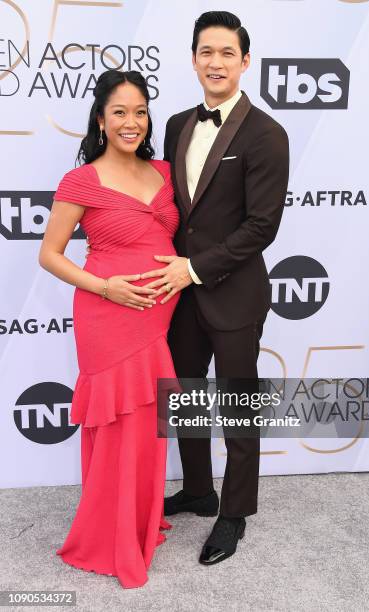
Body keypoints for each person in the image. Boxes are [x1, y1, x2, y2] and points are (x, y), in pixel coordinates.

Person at [139, 11, 290, 565]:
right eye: (207, 51)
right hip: (179, 295)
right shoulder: (178, 123)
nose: (216, 62)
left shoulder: (268, 134)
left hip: (232, 292)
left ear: (244, 61)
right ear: (194, 58)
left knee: (237, 404)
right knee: (185, 397)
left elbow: (262, 226)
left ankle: (233, 513)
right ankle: (200, 490)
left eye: (227, 52)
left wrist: (195, 269)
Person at [38, 70, 180, 589]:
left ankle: (138, 520)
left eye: (140, 111)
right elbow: (50, 255)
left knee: (146, 422)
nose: (131, 122)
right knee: (119, 423)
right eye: (119, 112)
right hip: (108, 315)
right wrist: (107, 288)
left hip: (158, 318)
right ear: (100, 119)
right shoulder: (82, 180)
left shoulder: (164, 172)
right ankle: (108, 534)